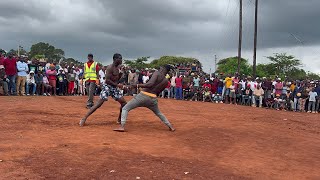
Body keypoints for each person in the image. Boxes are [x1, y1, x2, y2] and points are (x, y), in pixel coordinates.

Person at [113, 65, 176, 132]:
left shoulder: (157, 73)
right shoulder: (166, 81)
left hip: (143, 96)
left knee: (125, 108)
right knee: (158, 113)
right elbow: (158, 92)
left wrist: (136, 85)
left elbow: (150, 84)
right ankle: (170, 126)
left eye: (161, 68)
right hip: (153, 98)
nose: (159, 69)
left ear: (163, 69)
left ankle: (122, 126)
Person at [80, 53, 127, 126]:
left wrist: (121, 73)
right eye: (120, 58)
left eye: (121, 58)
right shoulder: (110, 67)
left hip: (114, 87)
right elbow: (107, 80)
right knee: (99, 104)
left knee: (124, 103)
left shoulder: (118, 68)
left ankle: (119, 119)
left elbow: (117, 79)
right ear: (115, 59)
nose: (121, 60)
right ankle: (84, 118)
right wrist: (117, 85)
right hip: (107, 86)